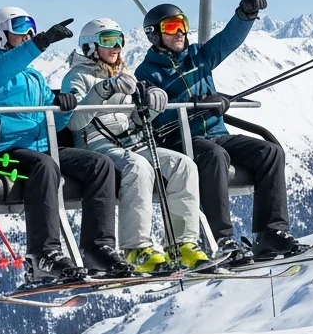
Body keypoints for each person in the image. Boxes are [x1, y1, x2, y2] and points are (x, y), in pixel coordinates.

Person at [134, 0, 308, 264]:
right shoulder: (146, 74)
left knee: (270, 152)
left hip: (216, 134)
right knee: (214, 156)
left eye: (183, 24)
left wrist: (245, 15)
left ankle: (270, 232)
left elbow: (228, 41)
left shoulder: (199, 57)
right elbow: (155, 113)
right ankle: (223, 238)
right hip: (182, 141)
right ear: (155, 35)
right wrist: (194, 105)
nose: (180, 32)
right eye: (171, 26)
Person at [0, 7, 133, 282]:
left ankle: (97, 247)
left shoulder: (33, 76)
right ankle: (43, 254)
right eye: (20, 29)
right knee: (44, 166)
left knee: (99, 164)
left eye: (31, 29)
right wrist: (39, 43)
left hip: (41, 145)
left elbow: (56, 121)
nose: (27, 35)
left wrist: (64, 107)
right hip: (4, 149)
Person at [61, 18, 209, 271]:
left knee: (182, 164)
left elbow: (136, 121)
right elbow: (74, 122)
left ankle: (182, 243)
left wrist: (150, 108)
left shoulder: (123, 74)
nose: (116, 46)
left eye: (120, 40)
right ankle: (136, 248)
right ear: (90, 45)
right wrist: (102, 91)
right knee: (138, 166)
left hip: (131, 142)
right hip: (96, 146)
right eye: (108, 40)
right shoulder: (77, 77)